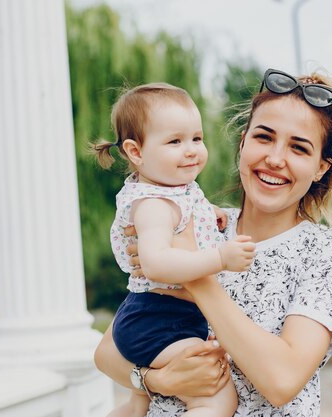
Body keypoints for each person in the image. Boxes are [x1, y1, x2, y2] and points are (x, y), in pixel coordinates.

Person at [94, 68, 332, 417]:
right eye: (264, 137)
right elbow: (107, 352)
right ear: (243, 143)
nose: (275, 159)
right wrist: (157, 382)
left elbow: (281, 381)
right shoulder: (197, 221)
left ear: (321, 168)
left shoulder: (329, 253)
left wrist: (197, 277)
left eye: (298, 148)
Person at [91, 82, 256, 417]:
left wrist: (210, 212)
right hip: (159, 319)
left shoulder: (175, 189)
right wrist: (219, 257)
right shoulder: (153, 205)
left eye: (197, 138)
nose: (192, 149)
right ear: (136, 152)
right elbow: (156, 264)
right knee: (216, 395)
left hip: (156, 315)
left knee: (139, 403)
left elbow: (187, 209)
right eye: (175, 141)